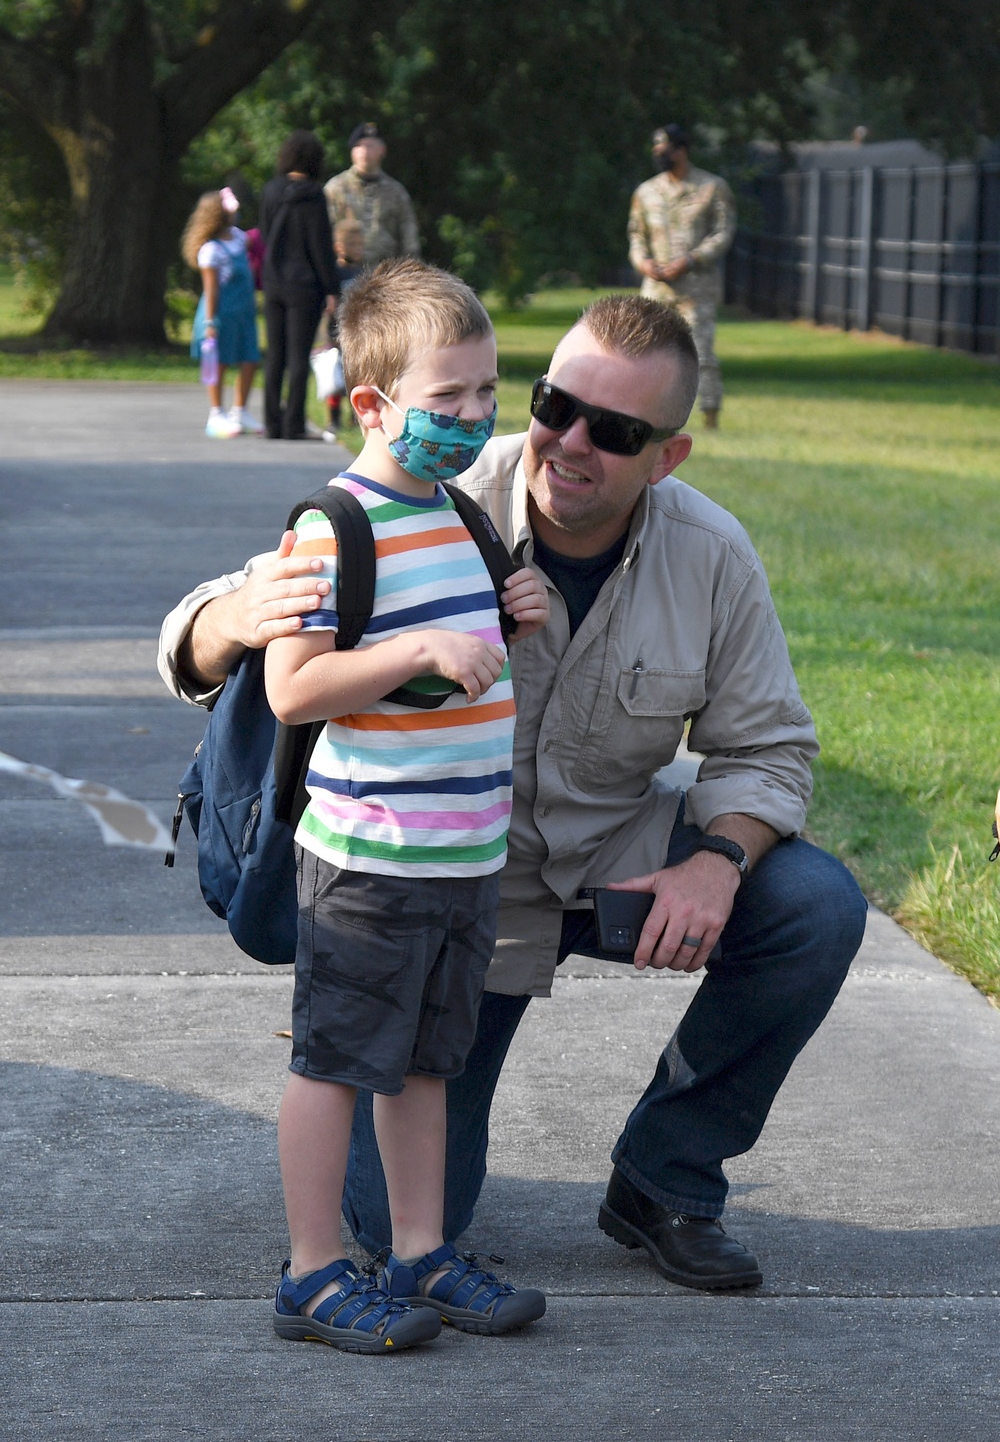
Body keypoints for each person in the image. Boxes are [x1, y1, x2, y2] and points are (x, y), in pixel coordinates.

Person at [159, 293, 868, 1295]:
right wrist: (235, 615)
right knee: (399, 1218)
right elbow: (197, 633)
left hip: (609, 854)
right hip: (446, 884)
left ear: (666, 456)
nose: (569, 442)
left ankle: (665, 1176)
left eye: (614, 432)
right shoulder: (430, 493)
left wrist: (719, 858)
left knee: (814, 906)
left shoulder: (710, 554)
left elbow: (771, 749)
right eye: (553, 404)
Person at [261, 259, 549, 1351]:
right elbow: (296, 685)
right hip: (369, 860)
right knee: (335, 1062)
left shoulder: (465, 518)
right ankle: (312, 1271)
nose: (474, 418)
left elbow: (461, 662)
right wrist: (409, 648)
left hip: (462, 857)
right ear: (372, 403)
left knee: (431, 1060)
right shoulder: (335, 525)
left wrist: (509, 612)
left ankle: (421, 1248)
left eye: (486, 392)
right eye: (447, 400)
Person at [628, 125, 736, 430]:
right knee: (644, 353)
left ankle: (710, 418)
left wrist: (690, 260)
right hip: (656, 288)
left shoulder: (712, 188)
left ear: (681, 150)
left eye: (663, 148)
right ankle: (641, 416)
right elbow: (636, 235)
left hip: (695, 289)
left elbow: (722, 234)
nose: (657, 154)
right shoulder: (646, 192)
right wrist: (643, 263)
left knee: (700, 354)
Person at [322, 123, 420, 436]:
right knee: (339, 346)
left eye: (372, 144)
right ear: (353, 151)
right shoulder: (335, 189)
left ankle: (373, 406)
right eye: (360, 145)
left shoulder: (395, 191)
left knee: (380, 344)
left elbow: (409, 236)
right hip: (342, 278)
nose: (366, 150)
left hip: (382, 279)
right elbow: (321, 235)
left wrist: (410, 277)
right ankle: (337, 410)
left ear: (382, 150)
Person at [258, 130, 341, 441]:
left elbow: (265, 234)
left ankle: (271, 422)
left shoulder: (270, 190)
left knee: (274, 355)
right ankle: (293, 423)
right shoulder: (314, 196)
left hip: (274, 280)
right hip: (305, 285)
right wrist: (331, 287)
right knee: (298, 357)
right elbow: (320, 246)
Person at [182, 187, 262, 438]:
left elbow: (258, 239)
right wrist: (210, 322)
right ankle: (216, 413)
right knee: (220, 363)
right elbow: (212, 290)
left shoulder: (239, 238)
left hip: (244, 313)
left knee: (250, 360)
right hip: (221, 314)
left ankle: (241, 410)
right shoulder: (211, 250)